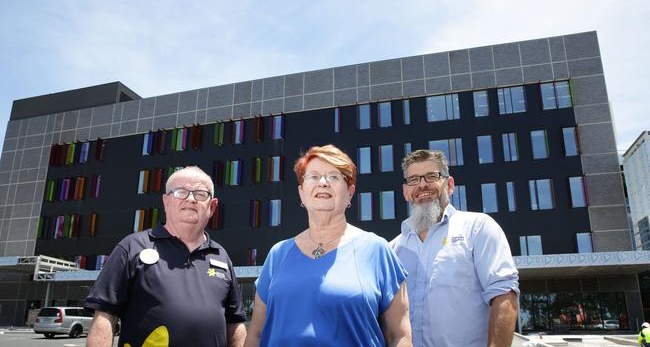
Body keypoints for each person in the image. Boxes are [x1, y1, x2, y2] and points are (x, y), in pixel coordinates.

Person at [244, 144, 412, 347]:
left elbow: (399, 336)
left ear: (350, 192)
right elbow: (256, 335)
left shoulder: (377, 250)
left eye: (334, 177)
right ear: (301, 193)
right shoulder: (278, 254)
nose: (323, 183)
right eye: (313, 177)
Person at [85, 166, 247, 347]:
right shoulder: (131, 248)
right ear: (166, 201)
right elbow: (105, 317)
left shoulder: (221, 256)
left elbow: (235, 323)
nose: (191, 199)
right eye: (180, 192)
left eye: (201, 194)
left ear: (212, 206)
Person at [391, 149, 519, 347]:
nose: (422, 184)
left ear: (449, 185)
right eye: (414, 179)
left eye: (432, 176)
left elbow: (504, 293)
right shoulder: (393, 249)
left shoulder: (478, 228)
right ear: (406, 191)